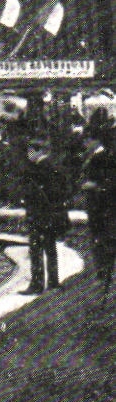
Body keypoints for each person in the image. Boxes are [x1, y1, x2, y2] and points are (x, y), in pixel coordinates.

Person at [21, 135, 71, 295]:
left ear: (36, 151)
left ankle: (37, 284)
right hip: (51, 214)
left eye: (29, 151)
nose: (28, 155)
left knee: (36, 250)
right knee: (50, 248)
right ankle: (53, 282)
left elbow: (35, 193)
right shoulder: (54, 166)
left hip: (39, 214)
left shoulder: (38, 169)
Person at [81, 119, 116, 304]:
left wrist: (95, 186)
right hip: (97, 207)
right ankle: (102, 278)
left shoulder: (103, 158)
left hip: (103, 207)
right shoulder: (99, 156)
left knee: (103, 243)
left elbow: (108, 182)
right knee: (99, 241)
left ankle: (104, 280)